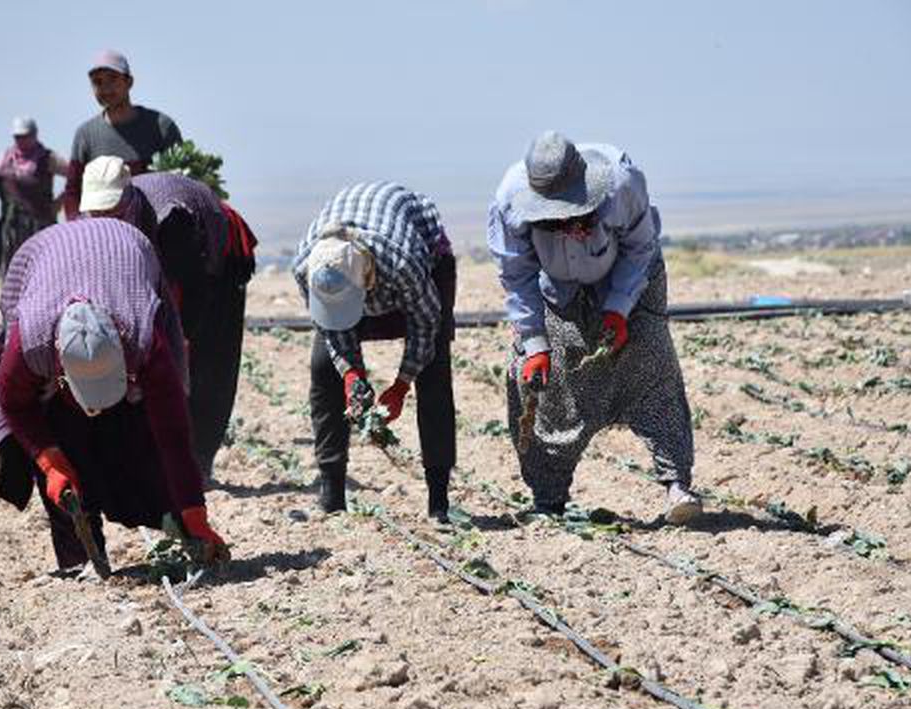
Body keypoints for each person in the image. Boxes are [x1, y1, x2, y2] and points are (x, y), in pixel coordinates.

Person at [0, 217, 228, 573]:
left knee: (139, 437)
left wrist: (194, 512)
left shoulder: (144, 338)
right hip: (40, 260)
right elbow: (14, 403)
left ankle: (172, 521)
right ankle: (79, 561)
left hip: (125, 251)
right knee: (60, 441)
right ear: (60, 368)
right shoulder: (29, 343)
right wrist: (50, 461)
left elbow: (173, 435)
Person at [488, 130, 702, 523]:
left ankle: (677, 485)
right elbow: (516, 276)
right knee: (547, 385)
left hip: (629, 276)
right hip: (557, 289)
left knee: (652, 364)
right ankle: (548, 499)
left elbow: (641, 249)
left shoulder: (622, 184)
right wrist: (535, 343)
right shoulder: (509, 202)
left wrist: (619, 310)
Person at [79, 158, 257, 480]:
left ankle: (199, 461)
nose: (103, 218)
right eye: (97, 212)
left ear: (127, 198)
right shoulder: (92, 225)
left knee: (209, 359)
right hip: (174, 265)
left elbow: (194, 289)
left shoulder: (170, 221)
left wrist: (181, 338)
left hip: (216, 259)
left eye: (110, 210)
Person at [294, 182, 457, 521]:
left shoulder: (402, 265)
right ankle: (331, 493)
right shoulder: (304, 268)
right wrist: (353, 377)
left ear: (365, 280)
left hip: (425, 261)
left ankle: (438, 499)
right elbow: (330, 328)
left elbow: (425, 326)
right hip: (363, 272)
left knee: (433, 371)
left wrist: (400, 386)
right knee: (324, 369)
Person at [62, 50, 182, 220]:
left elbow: (181, 184)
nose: (105, 88)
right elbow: (72, 190)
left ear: (129, 82)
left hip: (154, 228)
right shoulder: (85, 135)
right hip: (104, 231)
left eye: (112, 79)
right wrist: (78, 227)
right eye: (97, 82)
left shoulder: (161, 127)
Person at [0, 117, 67, 277]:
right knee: (12, 272)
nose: (21, 140)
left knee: (42, 271)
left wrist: (58, 204)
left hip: (40, 224)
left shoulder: (48, 157)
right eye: (17, 137)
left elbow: (75, 177)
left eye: (25, 136)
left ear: (35, 135)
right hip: (12, 227)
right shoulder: (8, 157)